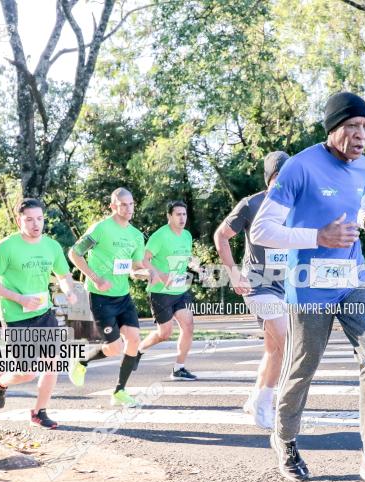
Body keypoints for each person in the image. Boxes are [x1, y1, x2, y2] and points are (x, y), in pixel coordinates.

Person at [250, 91, 365, 482]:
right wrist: (316, 235)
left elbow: (354, 203)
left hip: (352, 279)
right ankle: (284, 439)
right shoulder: (299, 168)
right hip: (309, 288)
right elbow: (262, 230)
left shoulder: (364, 167)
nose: (361, 135)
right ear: (334, 127)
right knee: (302, 368)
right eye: (354, 126)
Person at [0, 198, 78, 429]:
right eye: (29, 220)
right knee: (26, 373)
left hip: (44, 313)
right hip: (16, 316)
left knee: (52, 363)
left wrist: (69, 292)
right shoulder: (6, 246)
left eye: (39, 219)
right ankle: (0, 381)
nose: (36, 224)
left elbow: (63, 276)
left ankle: (39, 412)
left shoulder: (52, 246)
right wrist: (20, 298)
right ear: (19, 221)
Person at [214, 151, 290, 428]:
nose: (286, 183)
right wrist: (233, 272)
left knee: (274, 348)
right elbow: (221, 235)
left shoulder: (299, 205)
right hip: (257, 284)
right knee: (284, 339)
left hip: (288, 286)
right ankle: (264, 404)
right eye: (280, 177)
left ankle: (255, 398)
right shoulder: (252, 204)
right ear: (270, 178)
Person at [67, 187, 153, 407]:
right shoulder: (101, 229)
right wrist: (95, 278)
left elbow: (134, 267)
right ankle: (82, 361)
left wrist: (147, 274)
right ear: (113, 206)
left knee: (134, 339)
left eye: (131, 204)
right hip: (100, 296)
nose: (129, 208)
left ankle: (119, 391)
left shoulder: (135, 235)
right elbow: (74, 253)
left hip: (123, 296)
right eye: (123, 204)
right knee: (114, 348)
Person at [136, 200, 202, 381]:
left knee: (188, 325)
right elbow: (144, 260)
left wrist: (195, 265)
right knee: (164, 333)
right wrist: (161, 275)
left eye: (184, 214)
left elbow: (187, 256)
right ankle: (138, 350)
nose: (182, 218)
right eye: (178, 214)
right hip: (160, 291)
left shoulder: (187, 235)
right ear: (169, 216)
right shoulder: (160, 236)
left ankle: (179, 368)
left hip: (180, 290)